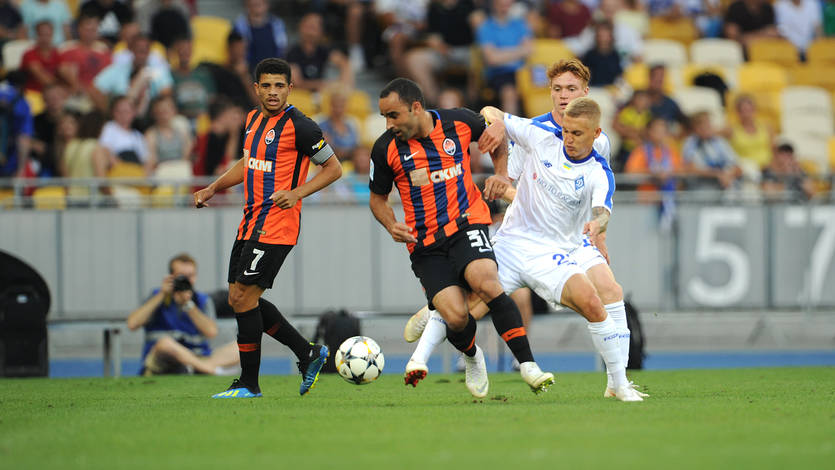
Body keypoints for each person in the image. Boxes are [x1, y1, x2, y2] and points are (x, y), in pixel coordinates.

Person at [369, 77, 554, 398]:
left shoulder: (458, 122)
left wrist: (501, 174)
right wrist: (390, 224)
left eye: (393, 115)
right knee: (456, 317)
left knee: (487, 282)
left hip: (467, 223)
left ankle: (528, 366)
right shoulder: (385, 148)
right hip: (425, 244)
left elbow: (496, 138)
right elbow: (377, 200)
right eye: (384, 116)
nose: (389, 124)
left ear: (416, 107)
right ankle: (472, 356)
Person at [193, 58, 342, 398]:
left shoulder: (302, 127)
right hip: (250, 221)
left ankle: (249, 383)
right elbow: (249, 162)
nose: (273, 92)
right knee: (239, 297)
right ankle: (308, 353)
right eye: (267, 85)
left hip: (277, 224)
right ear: (256, 88)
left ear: (290, 88)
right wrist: (214, 187)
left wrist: (297, 193)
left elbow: (334, 169)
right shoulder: (252, 120)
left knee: (244, 297)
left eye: (279, 85)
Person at [476, 98, 644, 402]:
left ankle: (618, 382)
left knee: (602, 296)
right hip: (517, 242)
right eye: (566, 131)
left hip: (564, 247)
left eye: (576, 133)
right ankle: (455, 352)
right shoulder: (540, 134)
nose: (568, 138)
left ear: (596, 133)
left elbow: (602, 210)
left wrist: (598, 226)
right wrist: (496, 121)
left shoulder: (599, 166)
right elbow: (492, 114)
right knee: (463, 310)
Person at [126, 253, 240, 376]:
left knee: (240, 347)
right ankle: (209, 369)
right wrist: (162, 295)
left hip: (198, 355)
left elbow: (211, 332)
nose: (187, 280)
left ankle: (196, 367)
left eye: (190, 276)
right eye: (182, 276)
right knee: (165, 343)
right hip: (165, 359)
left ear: (195, 276)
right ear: (171, 276)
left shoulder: (202, 300)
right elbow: (132, 324)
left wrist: (188, 305)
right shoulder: (157, 295)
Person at [476, 0, 533, 116]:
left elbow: (529, 50)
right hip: (499, 73)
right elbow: (491, 59)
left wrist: (500, 54)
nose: (504, 8)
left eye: (507, 5)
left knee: (543, 88)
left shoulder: (519, 24)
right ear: (494, 5)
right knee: (509, 92)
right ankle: (510, 128)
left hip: (523, 71)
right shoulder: (486, 27)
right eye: (501, 5)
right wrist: (519, 51)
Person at [286, 12, 353, 93]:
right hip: (298, 94)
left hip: (319, 94)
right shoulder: (292, 52)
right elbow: (297, 83)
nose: (310, 32)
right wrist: (322, 84)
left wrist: (343, 86)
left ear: (321, 31)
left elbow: (344, 63)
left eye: (315, 28)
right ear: (300, 27)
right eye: (308, 27)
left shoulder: (323, 49)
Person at [681, 111, 742, 191]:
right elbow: (690, 168)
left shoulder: (720, 141)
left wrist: (728, 175)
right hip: (702, 186)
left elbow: (738, 167)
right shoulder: (690, 143)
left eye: (708, 124)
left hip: (726, 182)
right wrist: (717, 174)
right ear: (695, 128)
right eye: (702, 125)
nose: (706, 127)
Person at [233, 0, 289, 71]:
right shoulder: (240, 25)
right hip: (250, 68)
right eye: (253, 4)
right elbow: (238, 51)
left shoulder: (277, 24)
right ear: (247, 6)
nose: (256, 6)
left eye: (259, 4)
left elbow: (282, 48)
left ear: (267, 5)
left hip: (274, 67)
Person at [20, 21, 60, 93]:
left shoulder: (58, 53)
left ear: (52, 34)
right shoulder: (29, 54)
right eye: (41, 35)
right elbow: (42, 77)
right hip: (33, 93)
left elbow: (65, 72)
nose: (45, 38)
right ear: (36, 35)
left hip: (54, 93)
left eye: (48, 35)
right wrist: (63, 88)